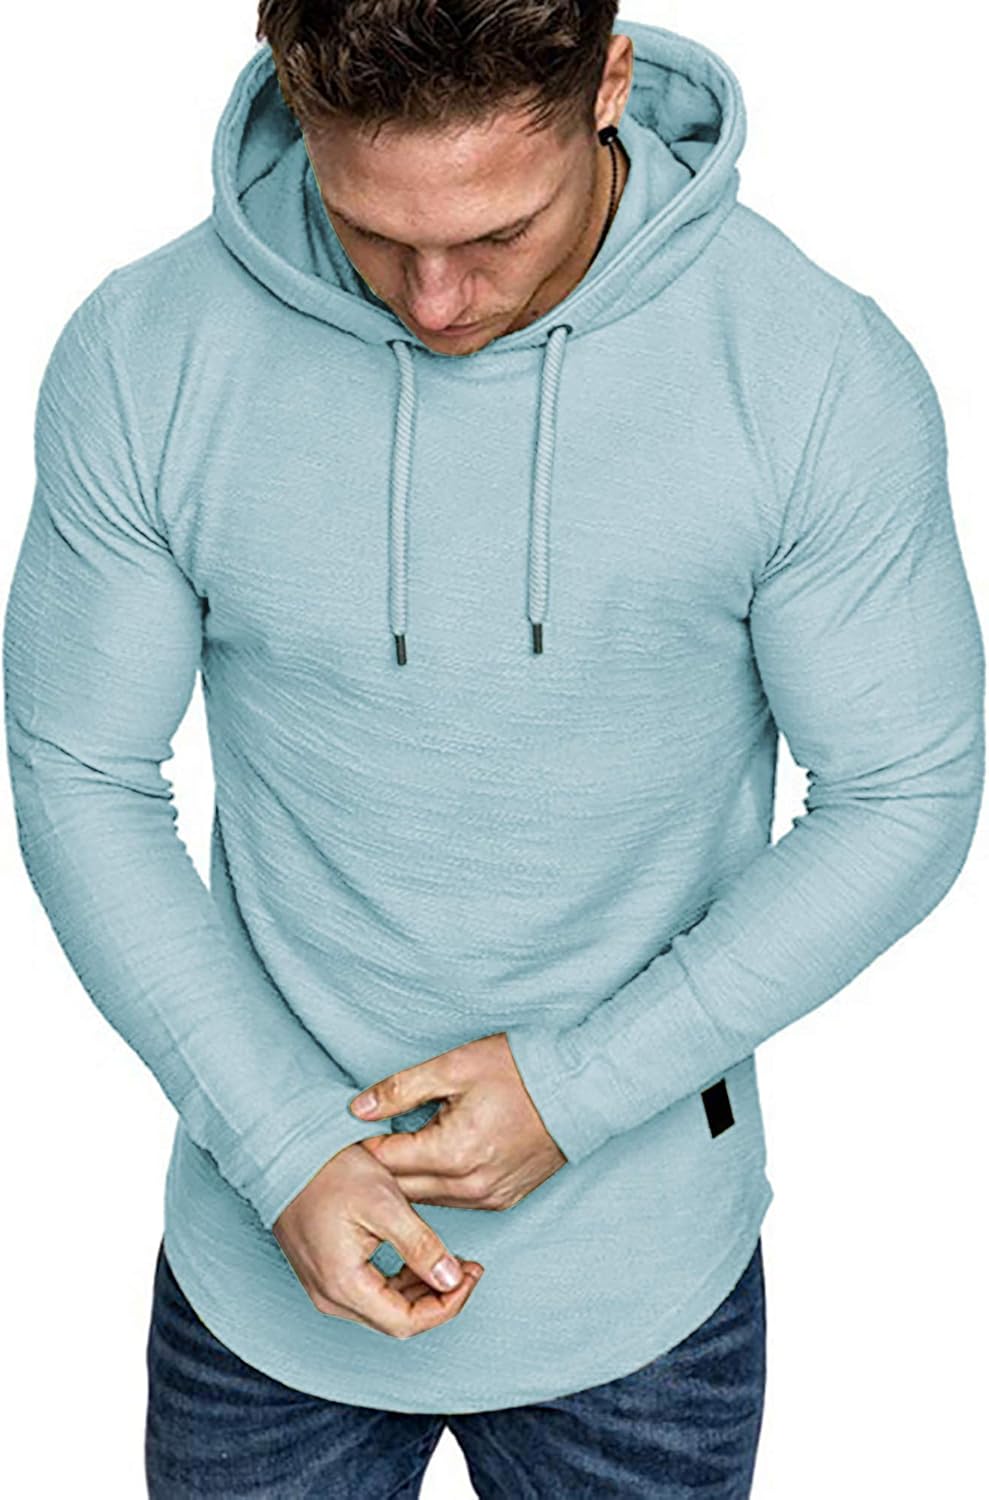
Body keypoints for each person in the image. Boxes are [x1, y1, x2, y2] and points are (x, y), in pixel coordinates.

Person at [3, 3, 983, 1496]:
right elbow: (79, 768)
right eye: (371, 231)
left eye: (498, 231)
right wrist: (279, 1146)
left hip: (645, 1284)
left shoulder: (809, 366)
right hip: (260, 1263)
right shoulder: (150, 351)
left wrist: (578, 1090)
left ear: (609, 81)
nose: (438, 301)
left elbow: (903, 790)